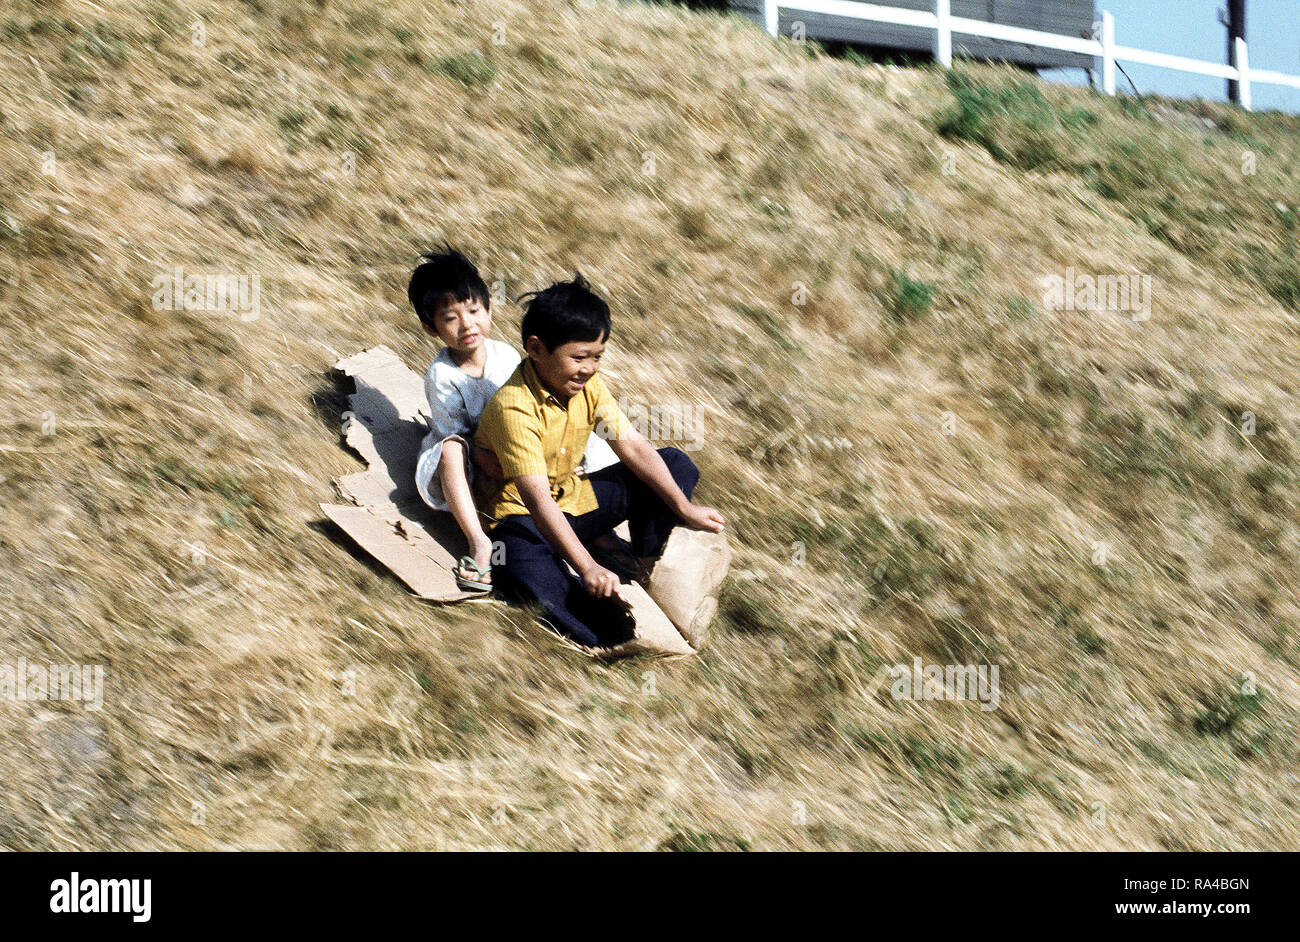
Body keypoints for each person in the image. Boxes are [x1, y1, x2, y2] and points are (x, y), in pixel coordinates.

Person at [474, 273, 725, 646]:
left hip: (574, 501)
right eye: (579, 357)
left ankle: (640, 562)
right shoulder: (514, 408)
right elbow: (538, 503)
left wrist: (683, 507)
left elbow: (634, 447)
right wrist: (586, 567)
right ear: (536, 348)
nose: (589, 368)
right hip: (523, 522)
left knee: (674, 464)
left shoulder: (587, 386)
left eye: (597, 357)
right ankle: (599, 608)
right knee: (521, 573)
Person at [409, 247, 616, 592]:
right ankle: (479, 542)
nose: (466, 325)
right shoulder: (442, 376)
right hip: (479, 458)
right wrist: (487, 458)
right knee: (449, 450)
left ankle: (579, 519)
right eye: (450, 318)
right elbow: (459, 435)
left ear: (489, 308)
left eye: (474, 310)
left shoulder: (505, 354)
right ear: (431, 328)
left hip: (526, 447)